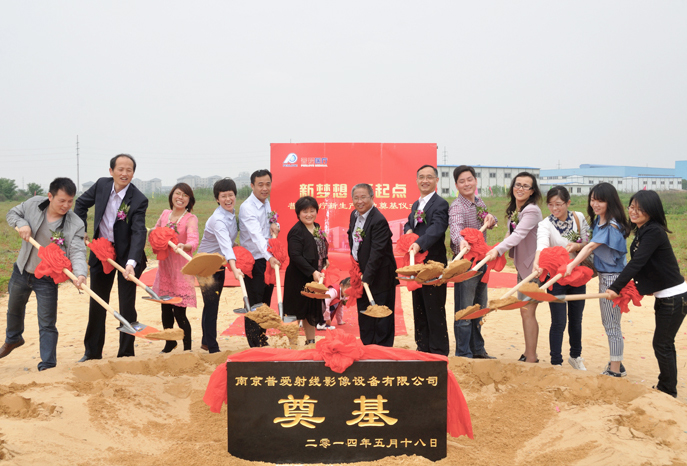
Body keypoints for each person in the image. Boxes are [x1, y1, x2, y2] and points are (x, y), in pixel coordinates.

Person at [606, 191, 687, 396]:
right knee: (664, 343)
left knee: (662, 344)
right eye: (632, 207)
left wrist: (615, 287)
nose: (634, 212)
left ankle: (667, 390)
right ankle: (666, 387)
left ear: (651, 211)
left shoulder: (654, 232)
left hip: (674, 297)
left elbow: (638, 263)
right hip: (666, 297)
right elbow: (650, 265)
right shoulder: (643, 231)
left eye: (640, 209)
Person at [2, 177, 87, 370]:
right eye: (62, 200)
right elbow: (12, 213)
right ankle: (13, 339)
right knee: (14, 310)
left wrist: (80, 273)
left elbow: (77, 251)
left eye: (70, 201)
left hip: (47, 279)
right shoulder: (33, 204)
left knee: (47, 322)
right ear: (50, 196)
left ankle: (48, 364)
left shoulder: (75, 223)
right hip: (22, 270)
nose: (66, 205)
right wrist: (22, 223)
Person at [75, 154, 148, 361]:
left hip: (127, 256)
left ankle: (126, 353)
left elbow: (139, 232)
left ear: (133, 173)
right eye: (120, 169)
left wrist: (132, 262)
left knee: (126, 305)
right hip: (101, 251)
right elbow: (80, 204)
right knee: (98, 301)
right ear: (111, 171)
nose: (124, 173)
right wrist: (82, 229)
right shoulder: (102, 185)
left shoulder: (138, 199)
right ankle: (92, 352)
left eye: (129, 170)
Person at [565, 182, 630, 377]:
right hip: (606, 276)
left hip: (612, 280)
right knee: (611, 323)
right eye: (593, 199)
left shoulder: (611, 226)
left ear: (610, 202)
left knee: (611, 325)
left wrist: (571, 264)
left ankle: (615, 370)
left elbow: (590, 247)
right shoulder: (600, 222)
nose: (595, 204)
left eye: (600, 200)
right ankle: (617, 363)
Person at [484, 172, 542, 363]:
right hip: (523, 267)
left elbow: (518, 235)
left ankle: (531, 357)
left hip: (533, 269)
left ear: (532, 191)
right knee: (525, 310)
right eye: (518, 184)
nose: (520, 189)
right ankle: (529, 353)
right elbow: (510, 234)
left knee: (527, 311)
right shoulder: (516, 210)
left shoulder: (532, 211)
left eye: (526, 186)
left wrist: (498, 250)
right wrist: (497, 247)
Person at [532, 186, 589, 369]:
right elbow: (541, 245)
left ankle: (575, 356)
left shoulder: (578, 218)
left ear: (568, 203)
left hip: (577, 275)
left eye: (558, 204)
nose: (554, 208)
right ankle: (556, 361)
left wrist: (577, 246)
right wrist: (537, 262)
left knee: (576, 319)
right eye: (550, 205)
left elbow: (587, 242)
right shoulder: (545, 224)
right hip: (556, 278)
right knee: (558, 321)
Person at [448, 165, 498, 359]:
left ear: (476, 181)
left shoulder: (479, 202)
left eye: (470, 180)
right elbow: (455, 227)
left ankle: (477, 350)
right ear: (456, 185)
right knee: (464, 310)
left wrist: (491, 219)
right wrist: (460, 241)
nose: (467, 184)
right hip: (466, 263)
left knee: (478, 307)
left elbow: (487, 222)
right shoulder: (457, 206)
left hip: (482, 260)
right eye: (462, 181)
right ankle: (463, 353)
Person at [404, 165, 449, 355]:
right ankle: (422, 347)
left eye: (429, 177)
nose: (425, 180)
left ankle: (438, 351)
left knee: (434, 307)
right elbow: (410, 222)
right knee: (419, 306)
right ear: (416, 180)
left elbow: (437, 228)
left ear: (436, 180)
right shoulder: (417, 204)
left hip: (433, 264)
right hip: (417, 264)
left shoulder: (440, 204)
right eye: (421, 177)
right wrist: (408, 230)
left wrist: (419, 244)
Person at [196, 178, 244, 353]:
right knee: (211, 305)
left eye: (231, 195)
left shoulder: (231, 215)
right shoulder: (218, 219)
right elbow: (225, 245)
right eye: (223, 196)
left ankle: (206, 341)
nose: (228, 199)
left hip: (218, 264)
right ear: (217, 199)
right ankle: (212, 347)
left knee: (211, 304)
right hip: (205, 266)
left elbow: (228, 243)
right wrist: (235, 268)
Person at [348, 184, 398, 347]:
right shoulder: (354, 216)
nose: (359, 201)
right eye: (356, 198)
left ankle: (382, 351)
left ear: (372, 198)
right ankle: (367, 347)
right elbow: (354, 242)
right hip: (362, 273)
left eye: (363, 197)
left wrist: (367, 278)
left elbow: (377, 252)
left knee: (382, 317)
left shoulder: (378, 220)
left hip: (381, 276)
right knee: (365, 314)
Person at [152, 183, 199, 353]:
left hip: (181, 271)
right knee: (165, 309)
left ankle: (187, 348)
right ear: (172, 195)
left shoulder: (190, 218)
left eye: (185, 195)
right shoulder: (165, 214)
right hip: (166, 269)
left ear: (189, 200)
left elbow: (194, 240)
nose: (180, 198)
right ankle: (170, 343)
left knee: (179, 313)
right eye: (178, 193)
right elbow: (155, 231)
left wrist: (184, 246)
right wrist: (154, 237)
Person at [239, 169, 280, 348]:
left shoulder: (266, 202)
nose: (265, 188)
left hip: (267, 258)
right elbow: (256, 236)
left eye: (268, 184)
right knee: (254, 302)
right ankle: (254, 343)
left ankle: (262, 337)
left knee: (265, 300)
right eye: (260, 185)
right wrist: (270, 257)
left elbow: (268, 226)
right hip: (254, 261)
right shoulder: (247, 207)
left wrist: (275, 225)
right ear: (252, 186)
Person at [283, 196, 328, 344]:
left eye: (312, 211)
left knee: (310, 311)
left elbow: (321, 248)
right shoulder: (296, 232)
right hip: (297, 278)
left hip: (313, 279)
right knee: (295, 312)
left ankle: (310, 342)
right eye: (305, 211)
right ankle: (293, 345)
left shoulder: (317, 228)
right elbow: (295, 256)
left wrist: (325, 260)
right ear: (298, 213)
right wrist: (312, 272)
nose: (309, 214)